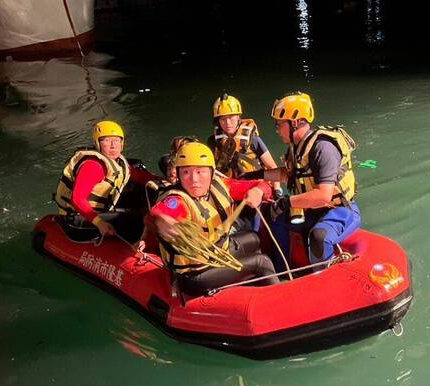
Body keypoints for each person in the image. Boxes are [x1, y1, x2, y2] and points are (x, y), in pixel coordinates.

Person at [151, 142, 280, 296]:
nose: (194, 179)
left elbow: (261, 185)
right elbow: (160, 213)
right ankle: (277, 298)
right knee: (262, 262)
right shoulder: (177, 200)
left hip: (218, 251)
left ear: (212, 173)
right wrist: (163, 221)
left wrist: (258, 191)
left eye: (200, 172)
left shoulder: (220, 185)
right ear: (178, 175)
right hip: (196, 272)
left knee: (254, 238)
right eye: (186, 172)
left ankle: (253, 286)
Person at [266, 92, 361, 267]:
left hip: (340, 210)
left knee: (319, 237)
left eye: (280, 124)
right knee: (277, 220)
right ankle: (282, 271)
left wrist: (287, 202)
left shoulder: (322, 148)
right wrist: (258, 175)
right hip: (314, 210)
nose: (277, 129)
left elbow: (324, 195)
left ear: (295, 123)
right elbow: (290, 174)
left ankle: (322, 276)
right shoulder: (297, 148)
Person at [54, 120, 152, 242]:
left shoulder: (118, 162)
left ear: (122, 143)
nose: (113, 145)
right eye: (106, 140)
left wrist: (165, 183)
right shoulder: (93, 166)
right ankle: (138, 246)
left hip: (99, 212)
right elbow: (77, 199)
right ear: (98, 143)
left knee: (138, 193)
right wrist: (100, 223)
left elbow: (137, 176)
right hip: (77, 218)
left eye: (117, 140)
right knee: (134, 219)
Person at [208, 94, 282, 184]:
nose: (227, 123)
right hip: (229, 185)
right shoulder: (213, 142)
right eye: (223, 119)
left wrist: (277, 189)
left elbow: (272, 167)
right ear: (218, 121)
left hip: (254, 184)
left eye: (231, 117)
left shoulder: (253, 140)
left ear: (238, 117)